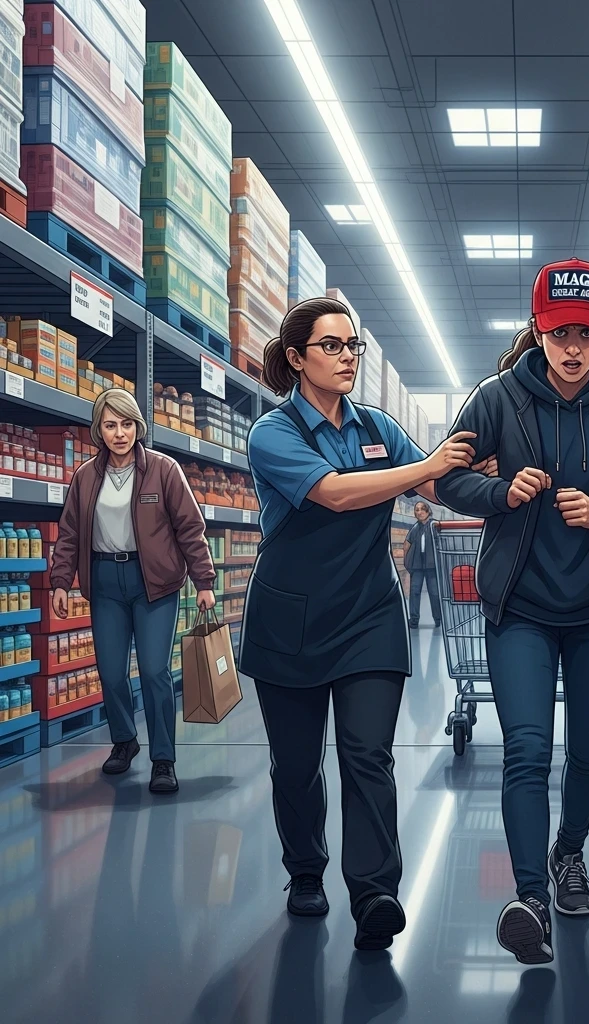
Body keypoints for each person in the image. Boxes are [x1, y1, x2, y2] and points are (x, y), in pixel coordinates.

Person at [435, 258, 589, 964]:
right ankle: (532, 897)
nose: (573, 347)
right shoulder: (496, 398)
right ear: (537, 330)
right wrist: (499, 492)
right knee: (528, 750)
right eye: (560, 331)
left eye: (587, 334)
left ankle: (570, 851)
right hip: (522, 607)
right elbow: (444, 476)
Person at [240, 296, 487, 950]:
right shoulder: (273, 434)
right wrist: (429, 465)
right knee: (295, 765)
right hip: (288, 619)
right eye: (332, 346)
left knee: (368, 756)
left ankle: (375, 890)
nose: (348, 356)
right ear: (297, 359)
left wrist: (488, 474)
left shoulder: (377, 426)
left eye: (354, 346)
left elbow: (436, 488)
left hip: (370, 615)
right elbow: (334, 492)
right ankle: (305, 871)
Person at [49, 388, 217, 795]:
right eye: (110, 425)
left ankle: (164, 759)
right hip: (106, 582)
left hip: (154, 584)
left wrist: (204, 581)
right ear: (99, 430)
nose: (120, 433)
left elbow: (189, 529)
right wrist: (60, 580)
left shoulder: (163, 470)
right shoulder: (86, 476)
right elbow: (69, 533)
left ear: (137, 426)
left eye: (126, 424)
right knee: (110, 670)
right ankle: (124, 741)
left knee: (156, 671)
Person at [403, 500, 441, 629]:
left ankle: (438, 619)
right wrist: (406, 561)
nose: (419, 512)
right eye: (417, 510)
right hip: (417, 566)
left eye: (421, 509)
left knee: (434, 593)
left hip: (432, 565)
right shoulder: (415, 528)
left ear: (427, 511)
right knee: (414, 592)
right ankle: (414, 620)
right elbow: (407, 544)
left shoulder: (434, 525)